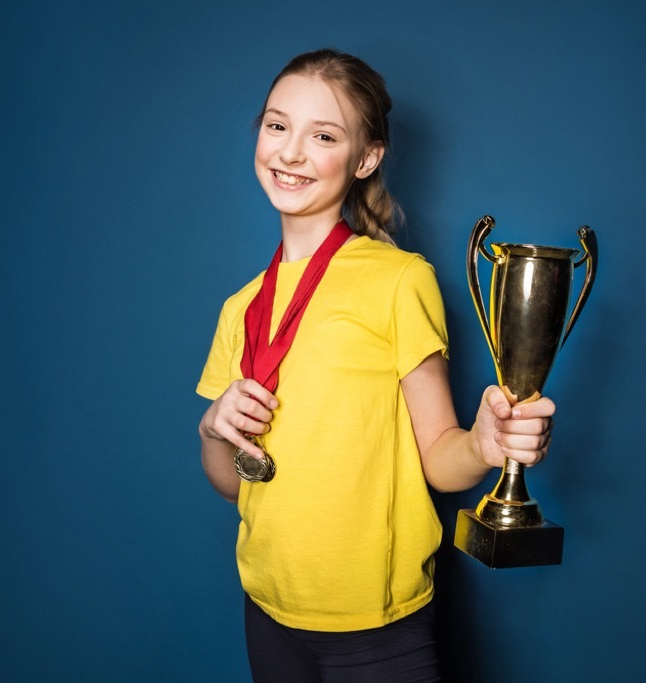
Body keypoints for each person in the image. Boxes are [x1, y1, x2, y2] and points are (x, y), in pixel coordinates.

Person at [196, 48, 556, 682]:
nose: (291, 152)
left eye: (324, 135)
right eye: (277, 126)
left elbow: (441, 461)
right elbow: (232, 482)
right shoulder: (240, 307)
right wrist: (211, 431)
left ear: (365, 159)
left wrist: (482, 442)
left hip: (376, 627)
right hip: (267, 608)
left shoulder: (399, 281)